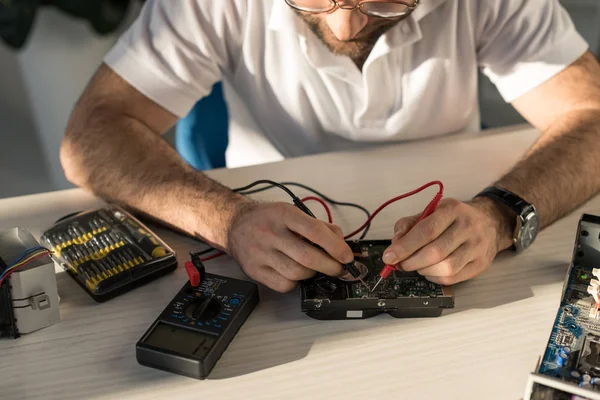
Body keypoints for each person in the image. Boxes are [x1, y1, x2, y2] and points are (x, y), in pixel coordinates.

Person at [60, 0, 600, 293]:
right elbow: (92, 134)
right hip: (259, 248)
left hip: (459, 232)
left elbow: (592, 116)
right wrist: (228, 220)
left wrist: (503, 215)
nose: (344, 23)